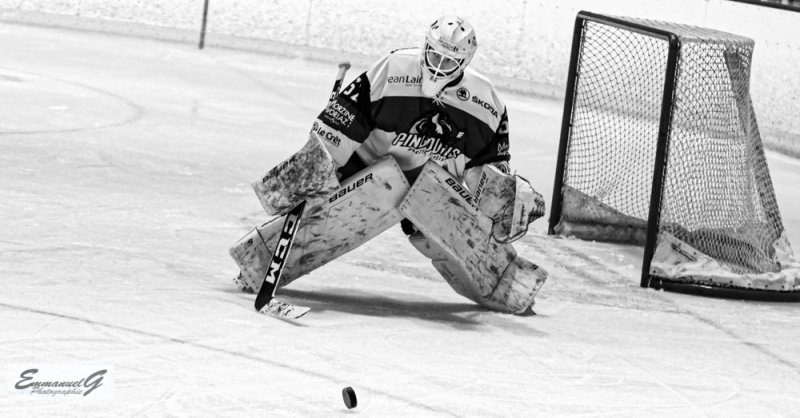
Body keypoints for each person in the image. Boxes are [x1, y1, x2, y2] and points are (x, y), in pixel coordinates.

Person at [231, 15, 547, 315]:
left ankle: (506, 287)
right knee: (334, 213)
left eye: (449, 62)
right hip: (368, 164)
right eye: (434, 55)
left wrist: (510, 197)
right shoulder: (394, 68)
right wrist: (320, 162)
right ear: (425, 45)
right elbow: (344, 121)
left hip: (430, 182)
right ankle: (256, 266)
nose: (438, 67)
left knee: (459, 227)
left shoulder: (487, 103)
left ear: (466, 62)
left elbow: (487, 173)